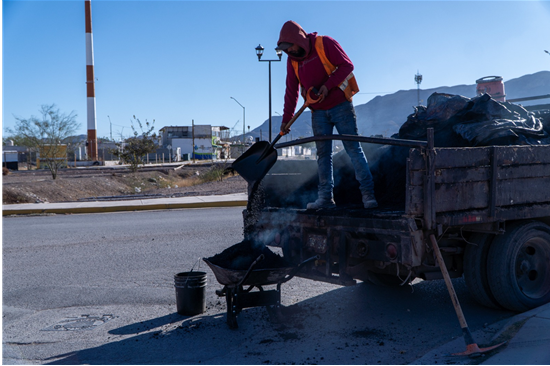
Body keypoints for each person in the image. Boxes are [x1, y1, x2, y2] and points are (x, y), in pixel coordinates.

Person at [277, 20, 378, 209]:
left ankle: (368, 195)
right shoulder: (292, 61)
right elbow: (291, 90)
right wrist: (286, 119)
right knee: (323, 155)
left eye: (289, 47)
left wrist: (327, 86)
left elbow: (347, 65)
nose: (288, 52)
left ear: (298, 40)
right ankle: (325, 199)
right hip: (318, 112)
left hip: (341, 106)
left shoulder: (325, 43)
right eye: (285, 50)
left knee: (353, 149)